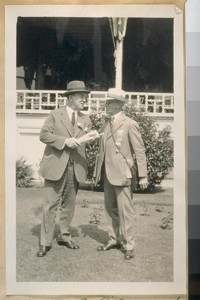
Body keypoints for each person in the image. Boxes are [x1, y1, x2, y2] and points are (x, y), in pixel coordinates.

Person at [37, 80, 92, 257]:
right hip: (55, 166)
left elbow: (83, 140)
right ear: (70, 97)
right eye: (80, 95)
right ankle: (45, 242)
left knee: (69, 205)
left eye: (85, 95)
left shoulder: (86, 118)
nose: (84, 98)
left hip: (75, 168)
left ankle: (64, 236)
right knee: (50, 205)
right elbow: (44, 135)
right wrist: (64, 141)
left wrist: (90, 136)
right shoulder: (55, 114)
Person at [94, 88, 148, 260]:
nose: (106, 104)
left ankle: (129, 245)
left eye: (109, 102)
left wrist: (143, 175)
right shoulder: (106, 123)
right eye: (106, 102)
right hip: (107, 173)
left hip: (122, 173)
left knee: (126, 211)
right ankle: (113, 239)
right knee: (110, 209)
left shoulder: (130, 124)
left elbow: (139, 151)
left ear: (118, 105)